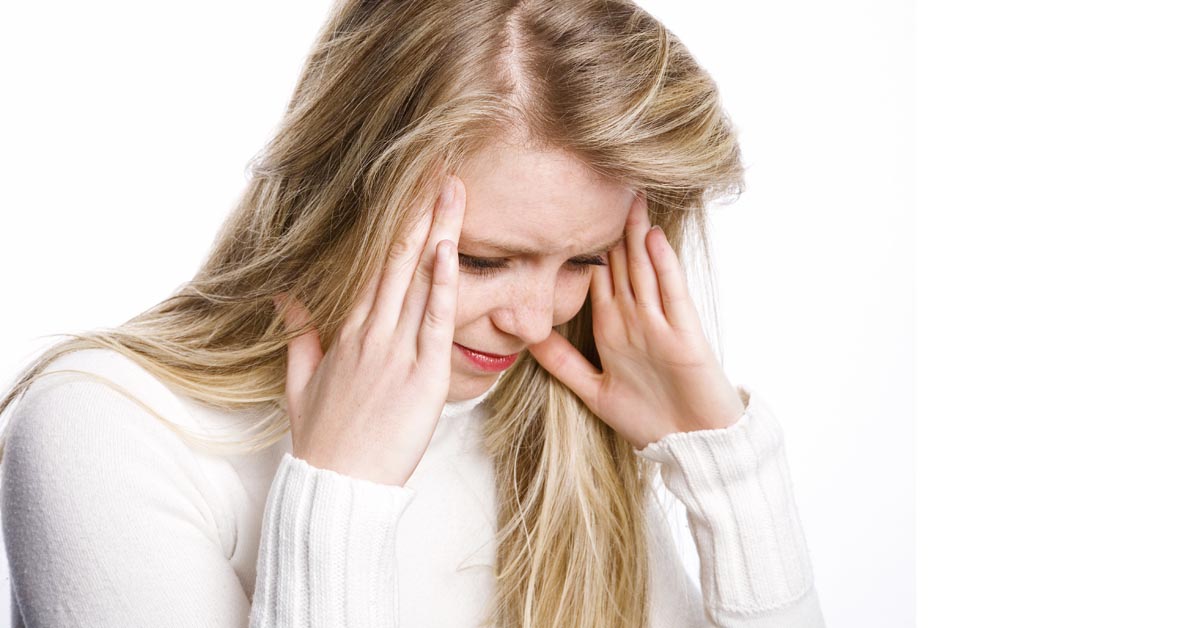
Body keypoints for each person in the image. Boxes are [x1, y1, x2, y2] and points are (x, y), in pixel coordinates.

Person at [0, 0, 825, 626]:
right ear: (342, 199)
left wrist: (730, 474)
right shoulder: (110, 426)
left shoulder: (555, 415)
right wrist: (339, 495)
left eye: (584, 260)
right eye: (480, 260)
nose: (537, 321)